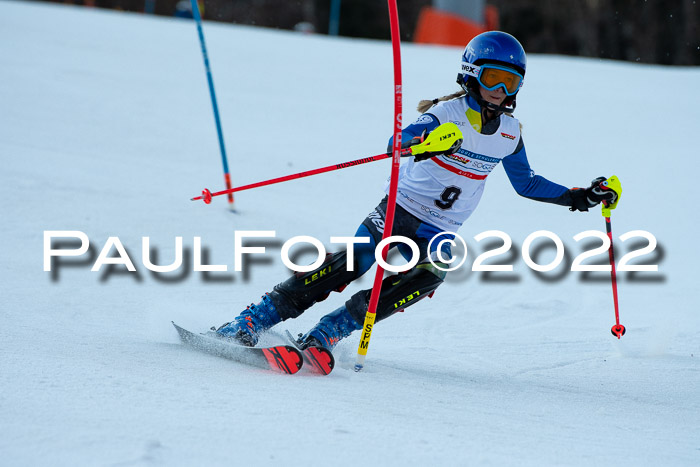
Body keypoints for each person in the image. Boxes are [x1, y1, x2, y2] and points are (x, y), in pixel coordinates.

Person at [215, 31, 617, 350]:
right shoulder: (446, 114)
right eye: (493, 77)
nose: (500, 89)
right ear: (472, 73)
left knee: (426, 277)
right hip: (399, 209)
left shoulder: (510, 134)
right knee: (350, 264)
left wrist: (580, 196)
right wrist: (426, 143)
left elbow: (526, 182)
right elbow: (396, 143)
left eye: (510, 81)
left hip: (440, 230)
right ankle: (254, 319)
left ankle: (329, 332)